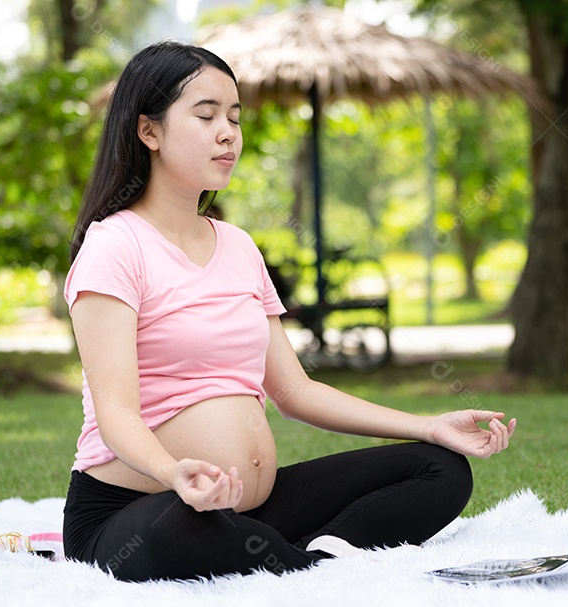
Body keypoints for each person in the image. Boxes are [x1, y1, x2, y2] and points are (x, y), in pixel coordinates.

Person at [62, 41, 517, 583]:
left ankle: (310, 558)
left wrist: (428, 426)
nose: (228, 133)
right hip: (140, 510)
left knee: (439, 469)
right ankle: (307, 565)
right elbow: (116, 413)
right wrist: (173, 471)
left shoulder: (238, 246)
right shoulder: (115, 246)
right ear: (149, 131)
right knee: (188, 528)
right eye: (206, 116)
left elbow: (295, 391)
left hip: (251, 508)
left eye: (234, 118)